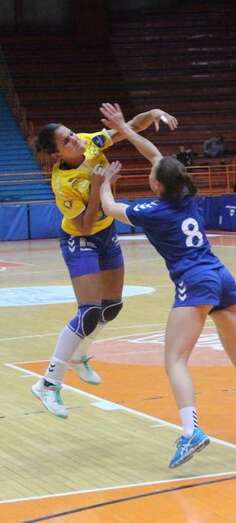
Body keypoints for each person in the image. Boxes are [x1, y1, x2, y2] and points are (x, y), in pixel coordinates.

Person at [96, 103, 236, 467]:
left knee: (175, 359)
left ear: (157, 183)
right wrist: (127, 129)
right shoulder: (185, 197)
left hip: (195, 281)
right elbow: (157, 156)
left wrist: (104, 183)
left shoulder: (154, 211)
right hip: (221, 275)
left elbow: (110, 208)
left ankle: (190, 431)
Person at [31, 106, 178, 418]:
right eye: (67, 141)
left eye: (72, 134)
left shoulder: (90, 142)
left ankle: (80, 355)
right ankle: (48, 382)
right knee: (89, 312)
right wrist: (99, 188)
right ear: (57, 154)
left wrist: (152, 114)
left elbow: (125, 128)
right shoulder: (63, 183)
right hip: (80, 237)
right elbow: (83, 225)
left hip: (105, 231)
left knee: (112, 306)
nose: (76, 140)